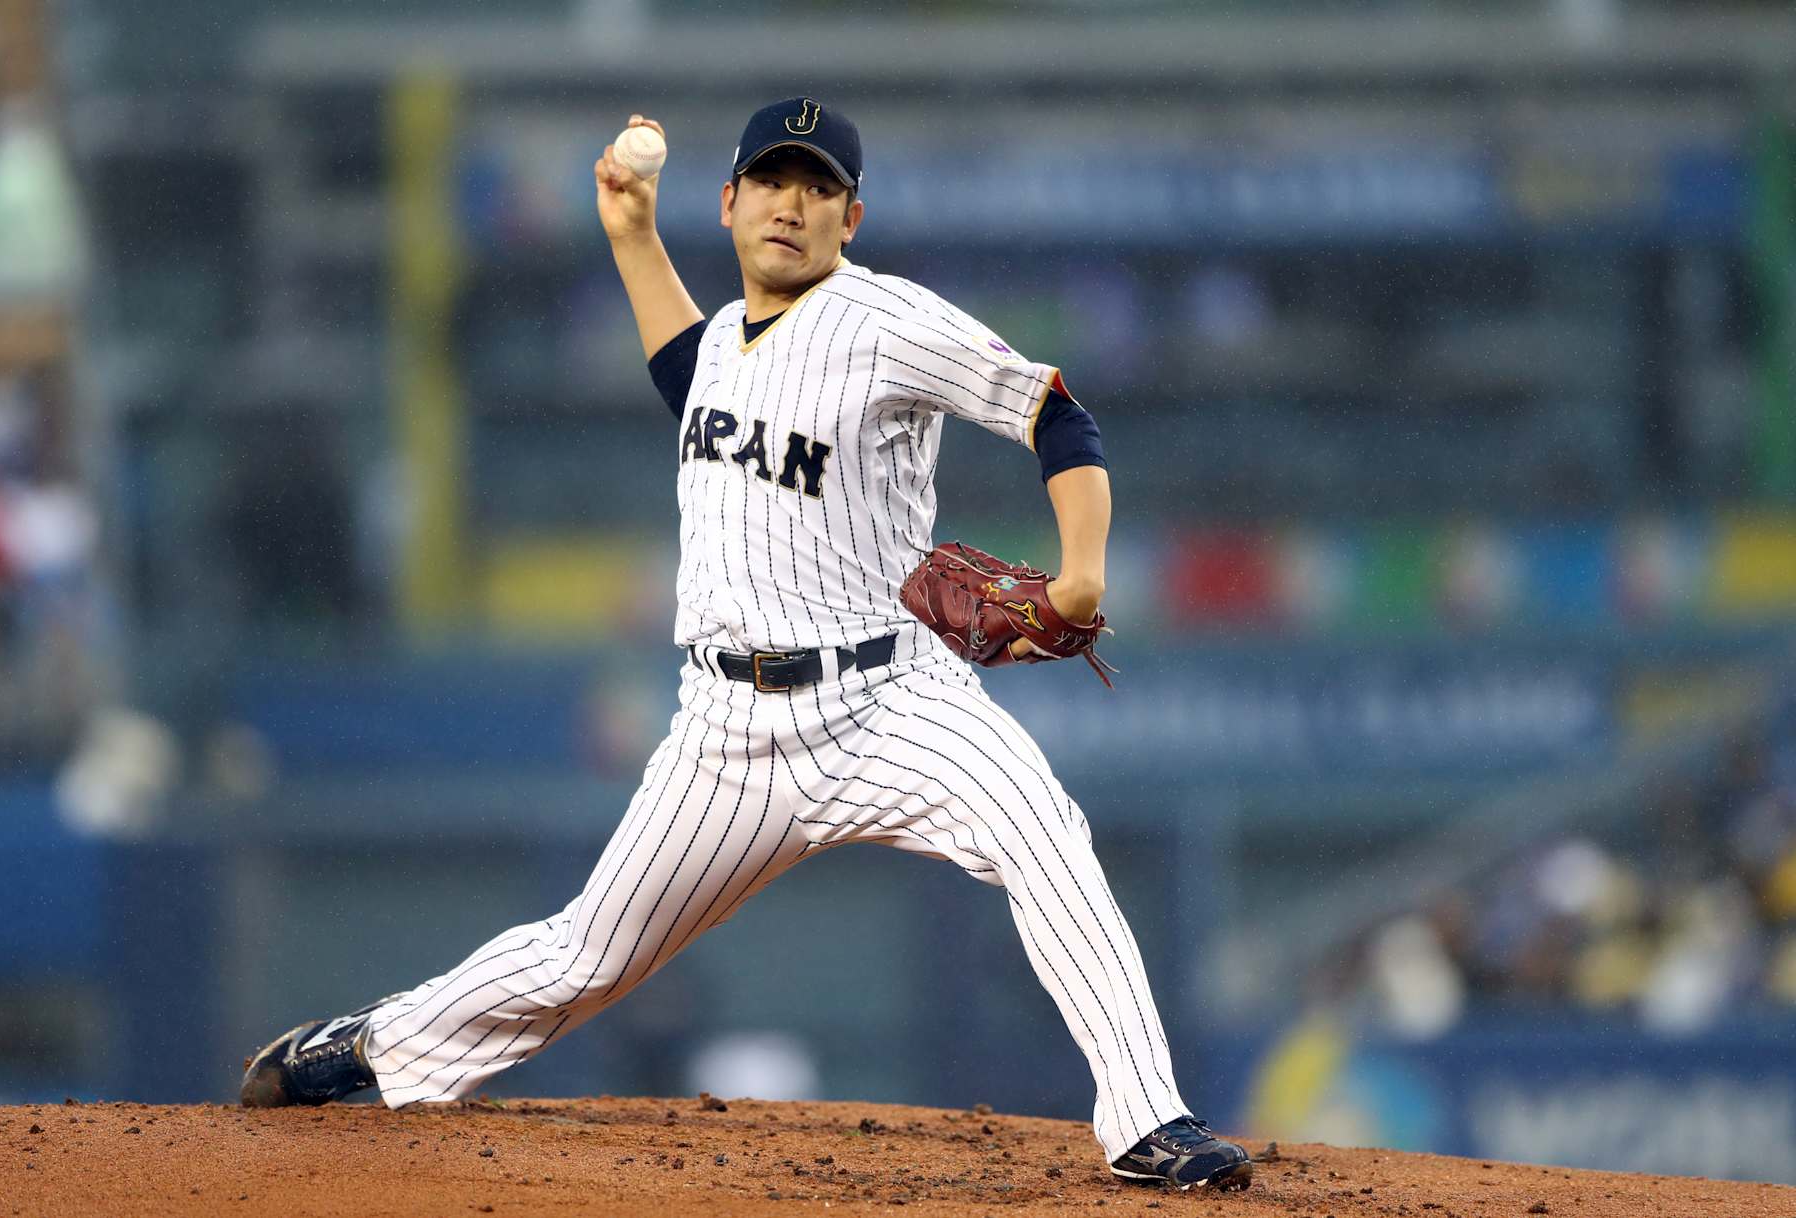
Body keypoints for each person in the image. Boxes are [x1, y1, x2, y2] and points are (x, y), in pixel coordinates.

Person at [239, 97, 1252, 1194]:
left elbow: (1055, 411)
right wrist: (631, 233)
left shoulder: (887, 323)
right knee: (588, 954)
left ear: (851, 218)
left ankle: (1152, 1121)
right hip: (726, 732)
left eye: (818, 188)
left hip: (891, 700)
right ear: (728, 204)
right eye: (772, 181)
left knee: (1045, 835)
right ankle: (374, 1046)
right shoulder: (723, 340)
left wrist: (1084, 568)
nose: (792, 204)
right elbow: (693, 380)